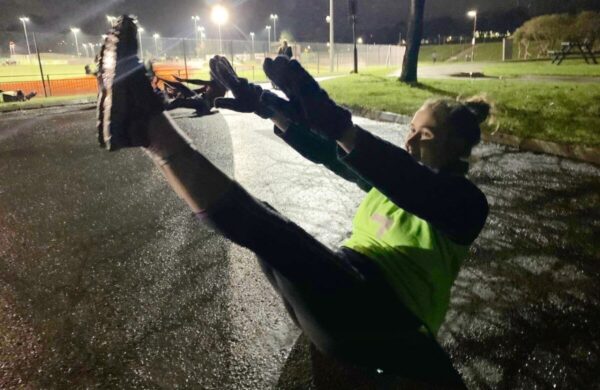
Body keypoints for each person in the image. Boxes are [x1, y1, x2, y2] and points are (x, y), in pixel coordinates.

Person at [97, 16, 489, 386]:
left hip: (392, 321)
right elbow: (330, 152)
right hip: (342, 292)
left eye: (427, 136)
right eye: (411, 128)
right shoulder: (386, 185)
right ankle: (142, 130)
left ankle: (148, 129)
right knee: (268, 239)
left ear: (457, 149)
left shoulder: (466, 206)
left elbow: (412, 186)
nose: (410, 140)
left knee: (270, 231)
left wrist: (340, 125)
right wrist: (267, 106)